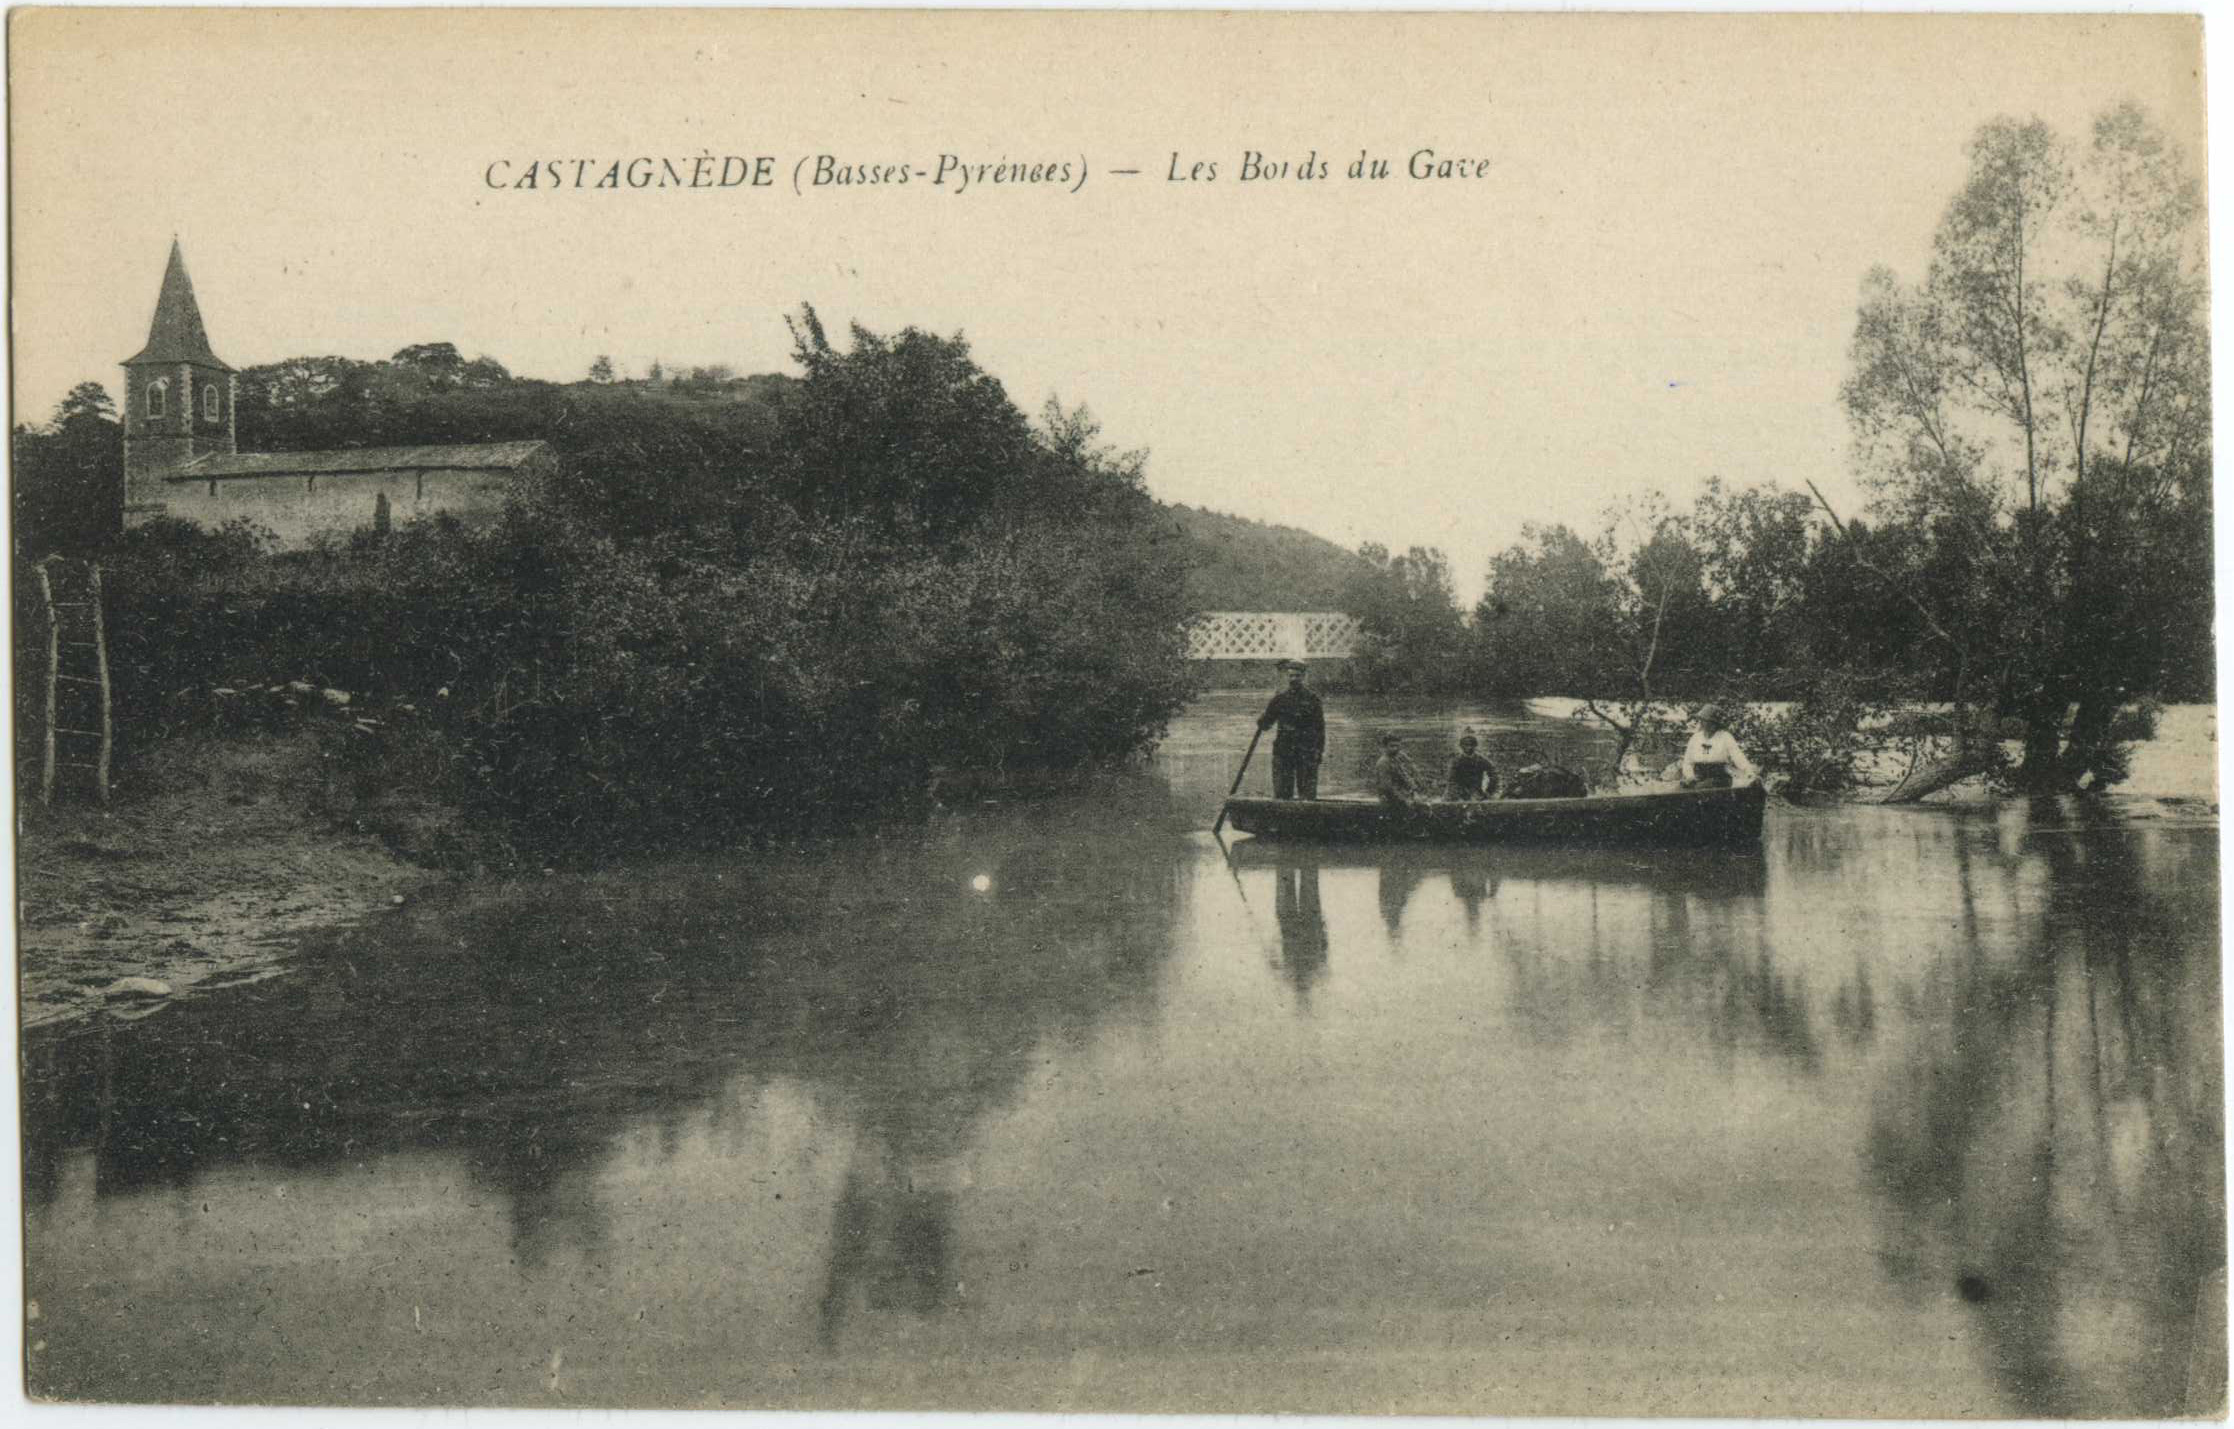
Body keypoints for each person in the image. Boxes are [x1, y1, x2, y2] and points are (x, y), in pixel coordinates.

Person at [1257, 659, 1326, 800]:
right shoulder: (1279, 699)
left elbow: (1320, 729)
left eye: (1297, 676)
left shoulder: (1313, 700)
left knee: (1307, 797)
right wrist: (1262, 719)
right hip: (1284, 752)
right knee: (1282, 795)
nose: (1294, 679)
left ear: (1303, 677)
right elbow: (1265, 725)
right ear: (1287, 677)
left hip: (1306, 752)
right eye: (1291, 676)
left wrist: (1319, 751)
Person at [1680, 703, 1759, 788]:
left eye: (1704, 720)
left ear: (1714, 724)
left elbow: (1738, 757)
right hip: (1699, 777)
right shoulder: (1695, 738)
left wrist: (1749, 772)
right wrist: (1690, 776)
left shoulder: (1725, 737)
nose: (1701, 722)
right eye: (1701, 720)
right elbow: (1687, 761)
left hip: (1719, 778)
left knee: (1703, 787)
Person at [1374, 733, 1425, 807]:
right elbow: (1387, 787)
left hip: (1400, 796)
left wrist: (1414, 791)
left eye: (1397, 746)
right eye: (1392, 746)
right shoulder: (1383, 763)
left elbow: (1405, 776)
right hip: (1389, 800)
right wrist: (1405, 799)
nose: (1395, 748)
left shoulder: (1396, 758)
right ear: (1385, 747)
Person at [1445, 731, 1499, 800]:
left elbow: (1494, 775)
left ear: (1475, 746)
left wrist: (1488, 792)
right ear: (1461, 746)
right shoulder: (1457, 761)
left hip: (1476, 792)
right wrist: (1456, 794)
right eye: (1466, 745)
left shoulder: (1481, 760)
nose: (1469, 747)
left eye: (1471, 745)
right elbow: (1451, 780)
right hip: (1459, 793)